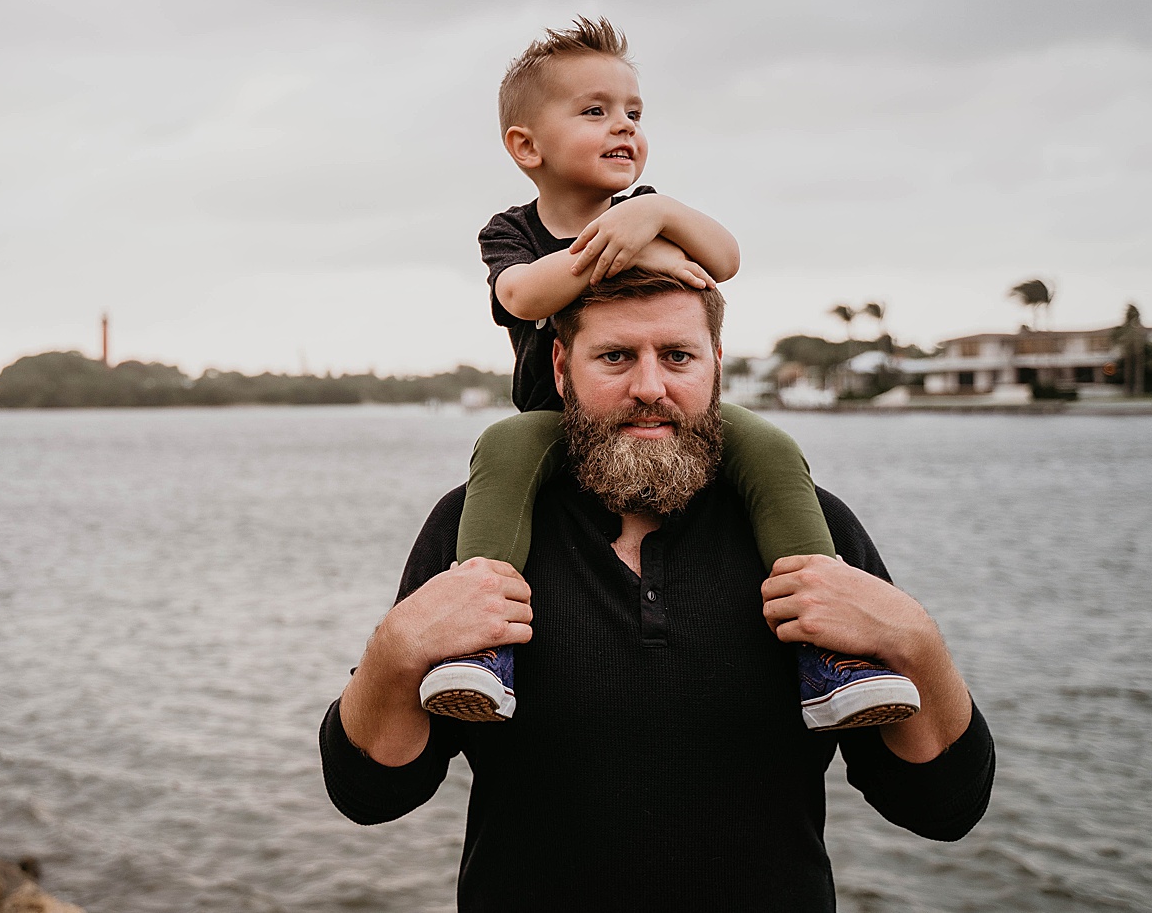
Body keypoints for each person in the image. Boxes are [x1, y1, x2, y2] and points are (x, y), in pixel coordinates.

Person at [320, 271, 995, 910]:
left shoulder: (815, 530)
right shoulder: (473, 529)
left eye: (678, 356)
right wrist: (395, 650)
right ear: (561, 368)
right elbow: (371, 793)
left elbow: (941, 807)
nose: (650, 385)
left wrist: (916, 641)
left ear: (716, 365)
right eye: (615, 357)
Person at [420, 16, 920, 731]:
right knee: (500, 447)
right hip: (557, 420)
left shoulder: (646, 208)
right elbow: (524, 296)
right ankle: (482, 647)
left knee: (774, 451)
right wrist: (638, 251)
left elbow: (724, 258)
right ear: (525, 146)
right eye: (594, 110)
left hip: (671, 420)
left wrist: (655, 212)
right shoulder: (512, 233)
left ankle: (830, 655)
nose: (622, 125)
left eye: (634, 112)